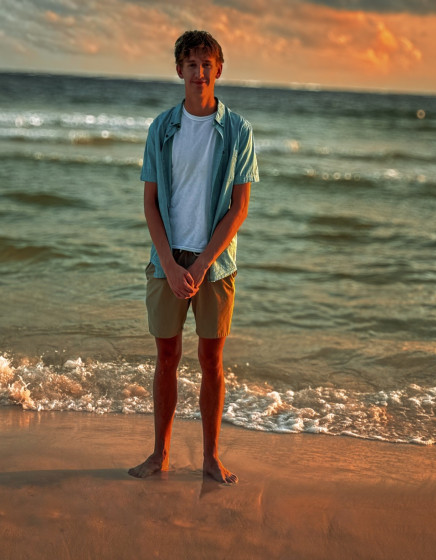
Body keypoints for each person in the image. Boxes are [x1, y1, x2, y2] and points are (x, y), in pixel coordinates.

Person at [128, 30, 259, 484]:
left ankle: (210, 457)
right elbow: (150, 204)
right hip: (167, 257)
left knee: (211, 360)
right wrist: (168, 263)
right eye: (191, 64)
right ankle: (159, 454)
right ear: (179, 69)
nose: (199, 72)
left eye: (206, 64)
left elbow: (239, 209)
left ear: (218, 69)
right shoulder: (161, 128)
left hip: (215, 265)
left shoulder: (238, 131)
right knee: (166, 356)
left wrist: (201, 265)